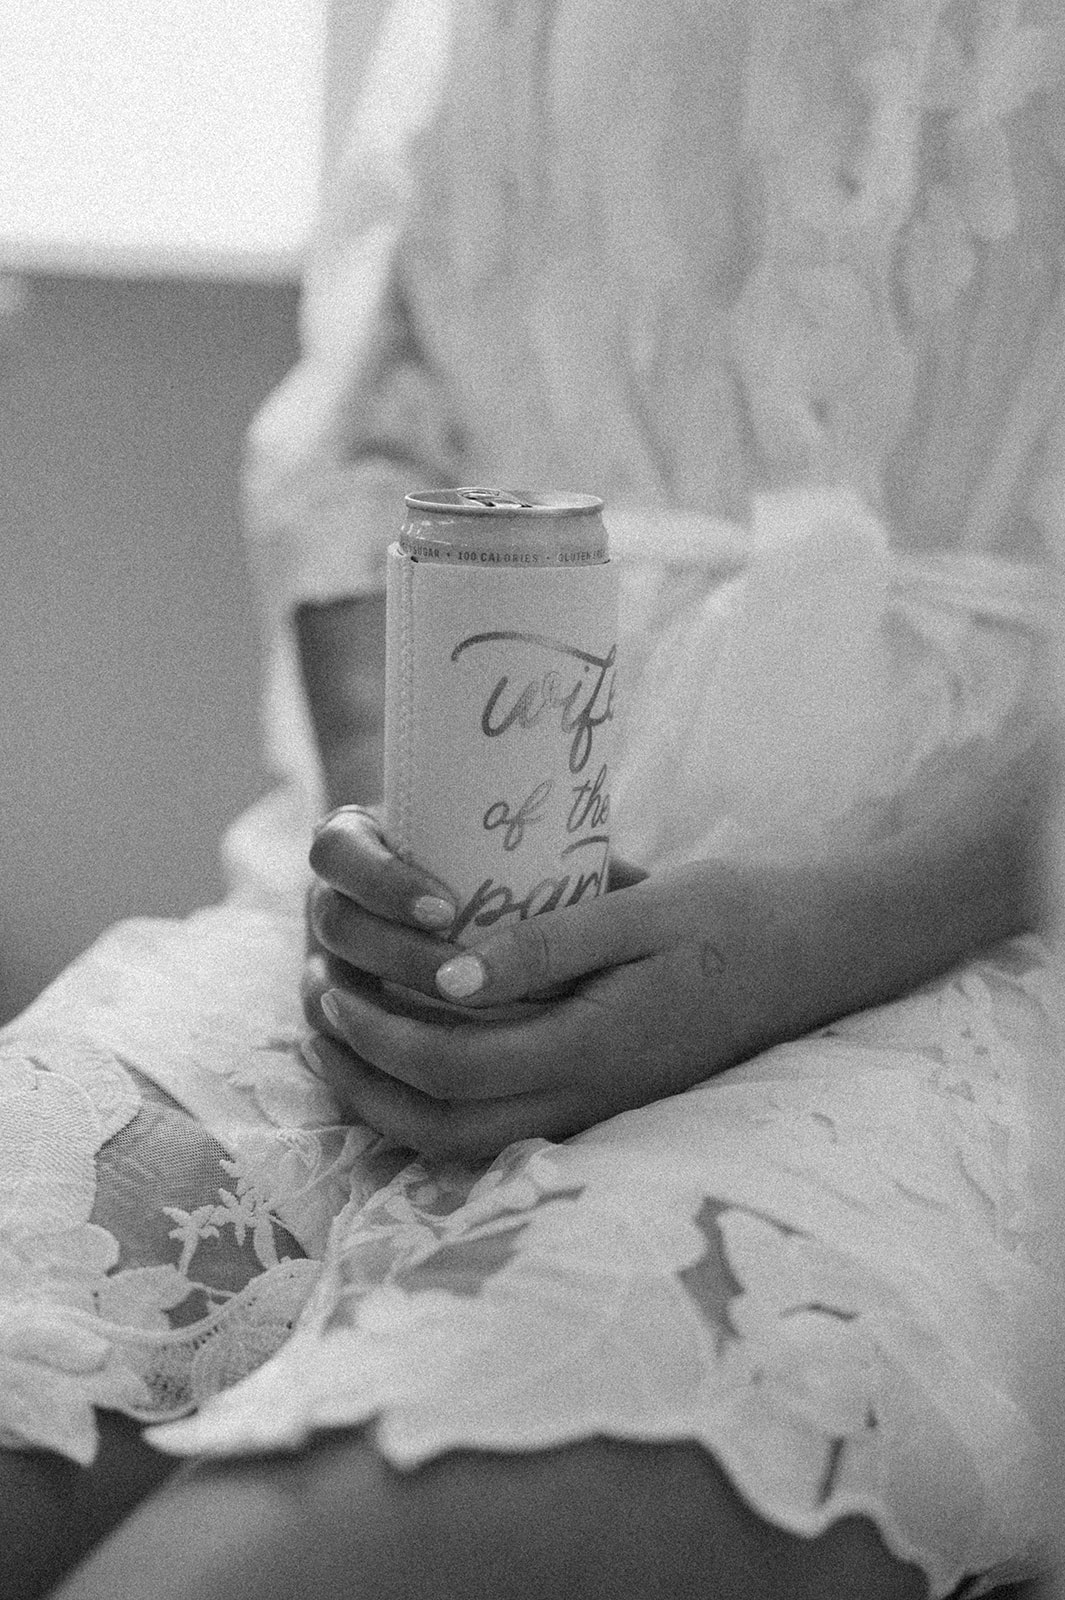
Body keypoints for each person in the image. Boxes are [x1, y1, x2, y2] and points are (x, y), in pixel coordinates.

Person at [3, 1, 1063, 1595]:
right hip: (481, 904)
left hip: (992, 924)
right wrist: (406, 888)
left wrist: (801, 939)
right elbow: (369, 437)